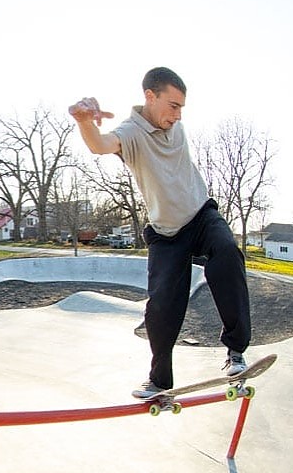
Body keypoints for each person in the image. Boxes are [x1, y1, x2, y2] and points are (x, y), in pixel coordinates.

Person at [68, 67, 251, 398]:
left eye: (182, 108)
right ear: (149, 97)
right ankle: (159, 381)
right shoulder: (132, 133)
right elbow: (101, 144)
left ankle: (236, 352)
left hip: (202, 215)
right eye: (173, 106)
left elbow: (171, 121)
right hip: (167, 235)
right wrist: (84, 121)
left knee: (227, 253)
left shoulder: (174, 123)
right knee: (162, 306)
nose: (178, 116)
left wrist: (174, 114)